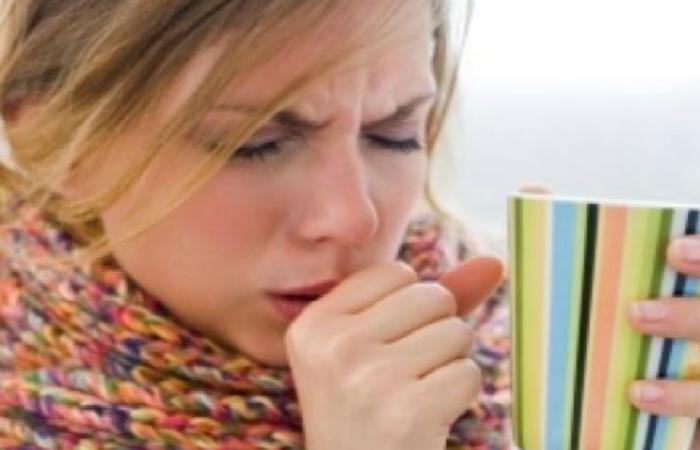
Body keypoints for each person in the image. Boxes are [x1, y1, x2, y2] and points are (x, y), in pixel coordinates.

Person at [0, 1, 511, 449]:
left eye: (393, 134)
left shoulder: (525, 359)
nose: (353, 220)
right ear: (61, 146)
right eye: (254, 143)